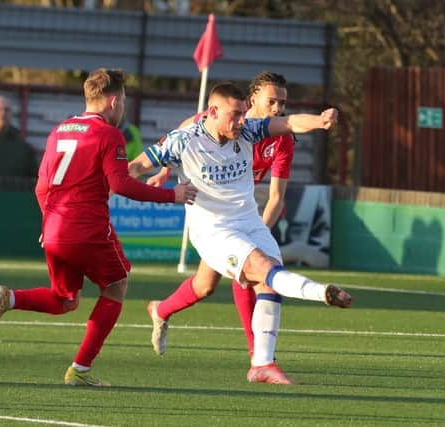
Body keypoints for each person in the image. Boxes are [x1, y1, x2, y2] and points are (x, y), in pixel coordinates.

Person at [0, 68, 198, 387]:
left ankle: (7, 297)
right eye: (122, 101)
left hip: (54, 226)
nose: (122, 108)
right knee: (117, 284)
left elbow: (41, 187)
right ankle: (80, 369)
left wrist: (48, 219)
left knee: (66, 299)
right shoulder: (108, 134)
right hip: (88, 227)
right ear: (111, 101)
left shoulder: (59, 130)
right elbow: (120, 185)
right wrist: (171, 195)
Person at [129, 82, 351, 385]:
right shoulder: (185, 140)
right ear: (213, 112)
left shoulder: (249, 129)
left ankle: (261, 364)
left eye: (243, 113)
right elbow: (137, 166)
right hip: (213, 229)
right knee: (262, 268)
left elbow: (288, 123)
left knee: (247, 285)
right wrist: (101, 180)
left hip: (249, 222)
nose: (241, 121)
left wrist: (320, 121)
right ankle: (321, 293)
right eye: (235, 114)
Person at [146, 71, 296, 359]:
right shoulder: (225, 117)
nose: (279, 109)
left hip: (239, 216)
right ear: (253, 100)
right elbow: (183, 131)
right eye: (272, 101)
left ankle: (160, 309)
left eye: (283, 103)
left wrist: (254, 236)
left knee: (205, 286)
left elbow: (276, 197)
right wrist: (165, 169)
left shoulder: (280, 139)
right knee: (246, 274)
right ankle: (259, 354)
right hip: (210, 212)